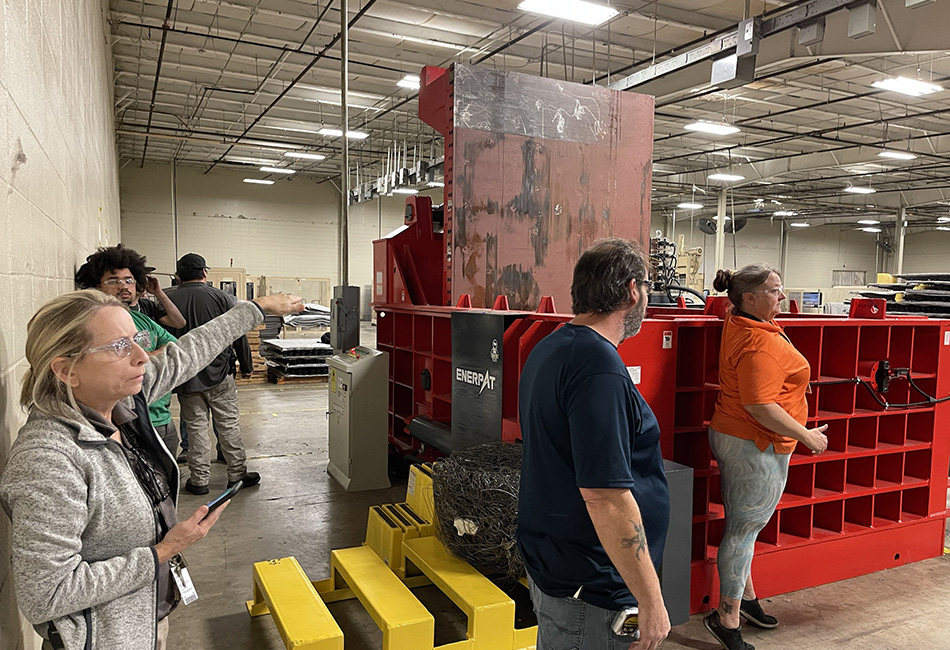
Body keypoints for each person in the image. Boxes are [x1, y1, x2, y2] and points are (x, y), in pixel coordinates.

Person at [0, 288, 302, 650]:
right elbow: (46, 594)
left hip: (143, 616)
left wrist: (256, 308)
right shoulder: (48, 459)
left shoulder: (121, 402)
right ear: (67, 370)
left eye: (136, 339)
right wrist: (163, 551)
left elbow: (187, 352)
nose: (142, 356)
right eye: (119, 347)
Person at [517, 238, 671, 650]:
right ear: (632, 290)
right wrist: (652, 600)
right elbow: (605, 497)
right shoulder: (599, 366)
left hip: (559, 567)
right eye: (646, 286)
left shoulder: (552, 347)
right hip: (594, 589)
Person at [703, 264, 828, 650]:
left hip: (739, 436)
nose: (782, 295)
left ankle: (746, 599)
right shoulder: (759, 342)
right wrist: (807, 435)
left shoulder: (742, 320)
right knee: (742, 531)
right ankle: (726, 618)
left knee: (745, 528)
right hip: (755, 443)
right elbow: (759, 405)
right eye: (774, 290)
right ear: (750, 298)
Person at [76, 250, 183, 456]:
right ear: (97, 286)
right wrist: (156, 353)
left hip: (162, 417)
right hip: (130, 421)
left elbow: (175, 345)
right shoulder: (95, 324)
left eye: (129, 280)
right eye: (113, 281)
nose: (123, 286)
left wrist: (147, 355)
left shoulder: (142, 318)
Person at [166, 253, 256, 496]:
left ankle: (199, 481)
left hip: (186, 377)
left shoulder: (166, 298)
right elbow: (238, 333)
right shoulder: (222, 297)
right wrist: (246, 364)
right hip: (220, 374)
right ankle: (237, 474)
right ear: (204, 272)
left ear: (178, 275)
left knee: (195, 429)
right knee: (228, 425)